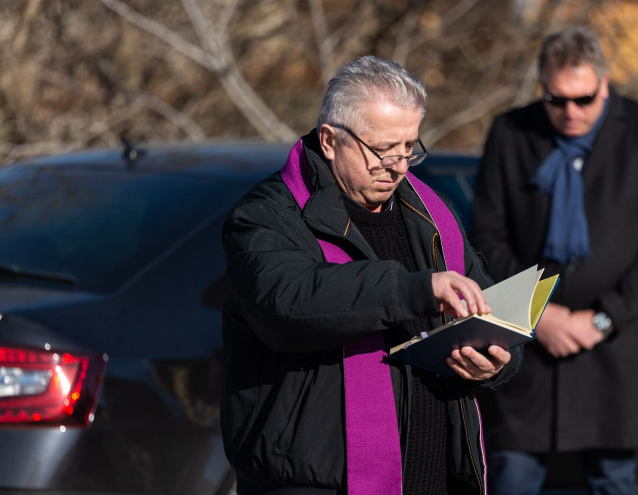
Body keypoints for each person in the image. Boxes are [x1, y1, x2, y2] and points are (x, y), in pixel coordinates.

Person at [220, 55, 520, 495]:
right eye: (382, 150)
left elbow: (487, 305)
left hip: (437, 476)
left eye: (409, 148)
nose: (399, 166)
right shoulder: (265, 215)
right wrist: (416, 289)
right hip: (316, 482)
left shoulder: (429, 212)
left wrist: (495, 361)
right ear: (329, 140)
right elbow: (290, 303)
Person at [469, 26, 638, 494]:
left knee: (613, 481)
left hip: (613, 350)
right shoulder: (511, 132)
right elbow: (487, 236)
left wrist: (604, 318)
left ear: (604, 85)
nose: (570, 111)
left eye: (584, 99)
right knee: (512, 477)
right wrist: (538, 315)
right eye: (556, 99)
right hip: (526, 349)